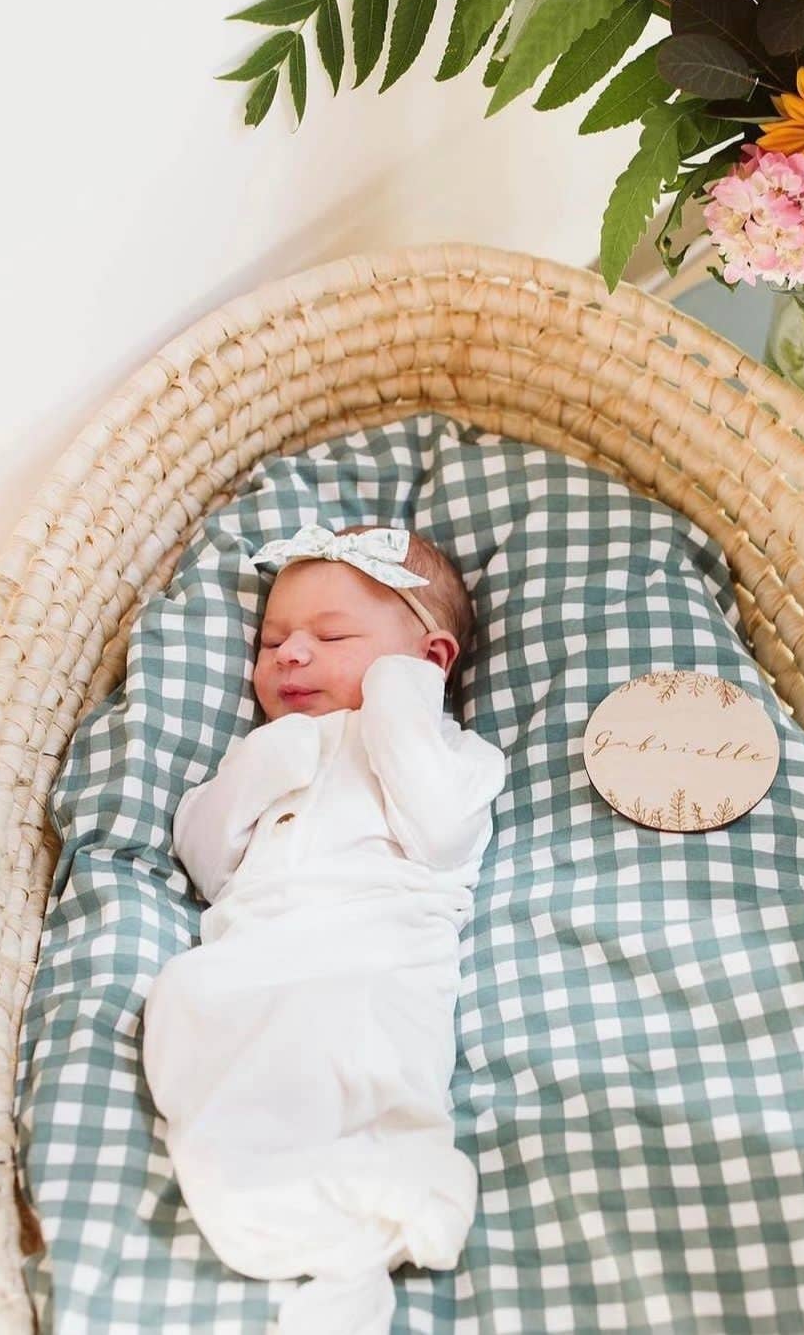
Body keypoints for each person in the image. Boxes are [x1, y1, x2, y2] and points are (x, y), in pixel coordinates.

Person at [141, 521, 507, 1334]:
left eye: (330, 634)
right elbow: (206, 859)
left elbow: (442, 835)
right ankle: (292, 1201)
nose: (289, 654)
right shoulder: (264, 750)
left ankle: (386, 1186)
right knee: (185, 995)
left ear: (431, 660)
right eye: (274, 639)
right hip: (254, 952)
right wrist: (258, 764)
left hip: (373, 957)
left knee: (345, 1044)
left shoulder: (456, 756)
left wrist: (401, 704)